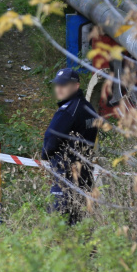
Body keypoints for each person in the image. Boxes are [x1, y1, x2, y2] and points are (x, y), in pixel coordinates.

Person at [41, 68, 98, 225]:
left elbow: (50, 142)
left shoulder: (67, 111)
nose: (59, 88)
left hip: (66, 177)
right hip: (85, 176)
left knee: (57, 226)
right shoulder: (88, 108)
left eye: (64, 85)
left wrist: (46, 156)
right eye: (57, 84)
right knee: (80, 226)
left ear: (76, 86)